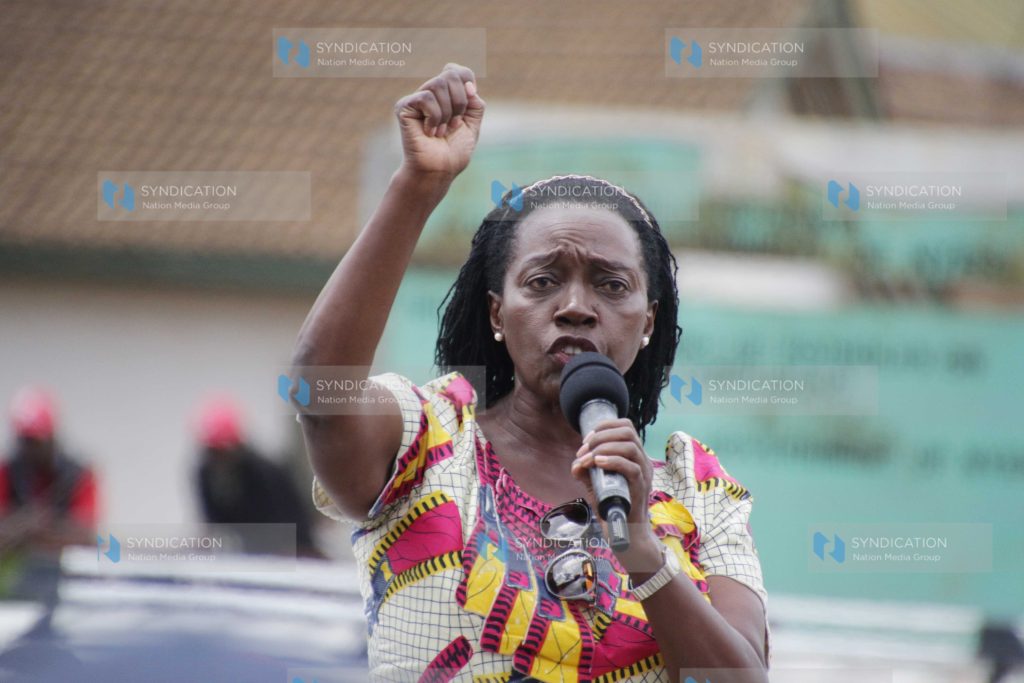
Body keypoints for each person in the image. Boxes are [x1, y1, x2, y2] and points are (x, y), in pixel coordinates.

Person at [292, 63, 769, 682]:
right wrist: (418, 186)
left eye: (611, 284)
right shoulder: (428, 441)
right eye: (543, 281)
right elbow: (318, 393)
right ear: (498, 313)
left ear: (648, 321)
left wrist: (645, 554)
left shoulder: (698, 493)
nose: (575, 306)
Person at [194, 397, 323, 559]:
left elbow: (292, 518)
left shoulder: (265, 472)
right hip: (248, 552)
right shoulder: (204, 474)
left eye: (222, 451)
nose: (218, 458)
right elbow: (212, 523)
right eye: (213, 451)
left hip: (289, 548)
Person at [0, 388, 98, 599]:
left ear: (51, 437)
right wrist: (25, 524)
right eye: (25, 441)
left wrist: (44, 527)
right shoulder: (7, 472)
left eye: (36, 442)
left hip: (67, 577)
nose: (30, 449)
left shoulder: (78, 475)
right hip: (15, 577)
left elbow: (87, 534)